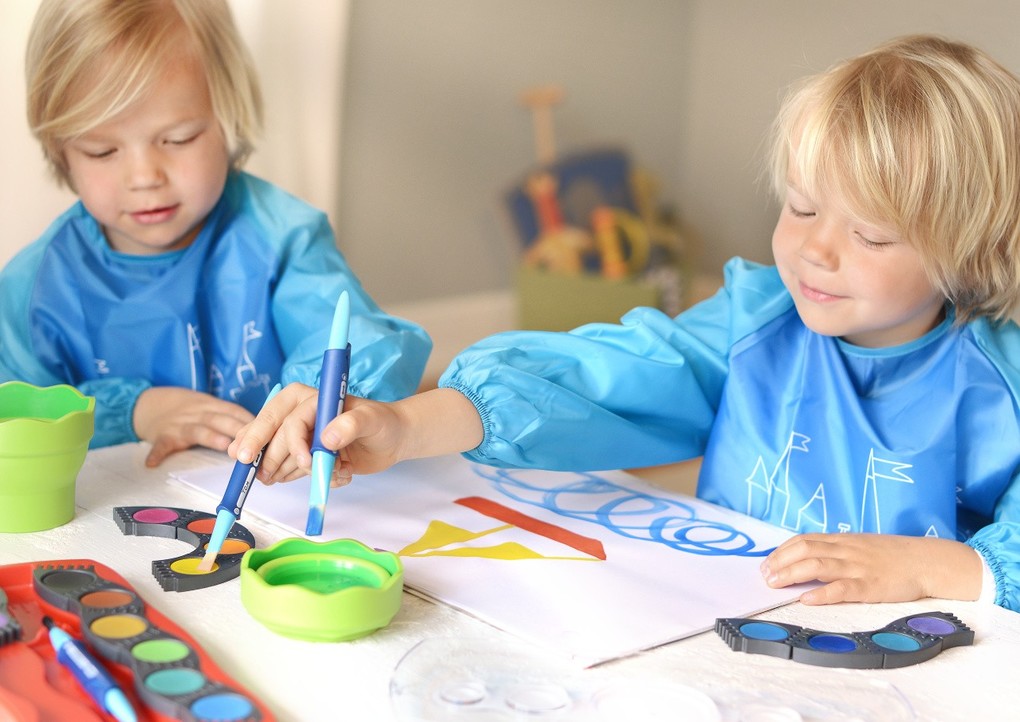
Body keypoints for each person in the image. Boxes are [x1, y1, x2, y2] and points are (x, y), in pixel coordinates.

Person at [231, 35, 1020, 612]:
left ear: (969, 251)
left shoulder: (999, 380)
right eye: (802, 206)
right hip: (722, 624)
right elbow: (605, 374)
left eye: (870, 235)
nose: (814, 249)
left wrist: (937, 568)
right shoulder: (759, 320)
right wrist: (403, 423)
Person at [0, 0, 431, 467]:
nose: (145, 176)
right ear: (60, 151)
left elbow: (363, 345)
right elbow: (13, 412)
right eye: (102, 151)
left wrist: (317, 405)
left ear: (228, 117)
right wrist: (132, 412)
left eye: (178, 138)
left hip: (268, 498)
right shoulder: (35, 287)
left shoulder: (281, 238)